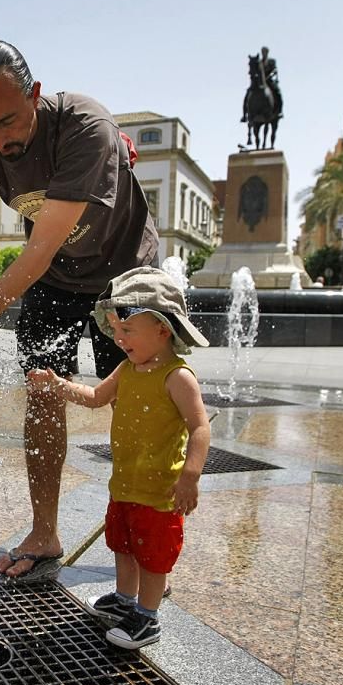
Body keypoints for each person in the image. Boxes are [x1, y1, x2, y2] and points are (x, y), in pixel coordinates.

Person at [0, 40, 158, 581]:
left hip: (126, 274)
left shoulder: (84, 126)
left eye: (7, 121)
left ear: (36, 95)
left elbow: (38, 246)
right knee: (43, 392)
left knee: (139, 408)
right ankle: (45, 532)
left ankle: (145, 543)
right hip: (55, 280)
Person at [28, 267, 210, 648]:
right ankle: (125, 600)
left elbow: (199, 427)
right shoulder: (128, 368)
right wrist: (58, 385)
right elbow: (96, 398)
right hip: (125, 484)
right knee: (123, 546)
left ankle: (147, 616)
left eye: (128, 331)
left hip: (159, 491)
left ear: (162, 329)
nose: (119, 339)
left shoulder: (177, 377)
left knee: (153, 557)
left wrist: (190, 476)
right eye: (117, 332)